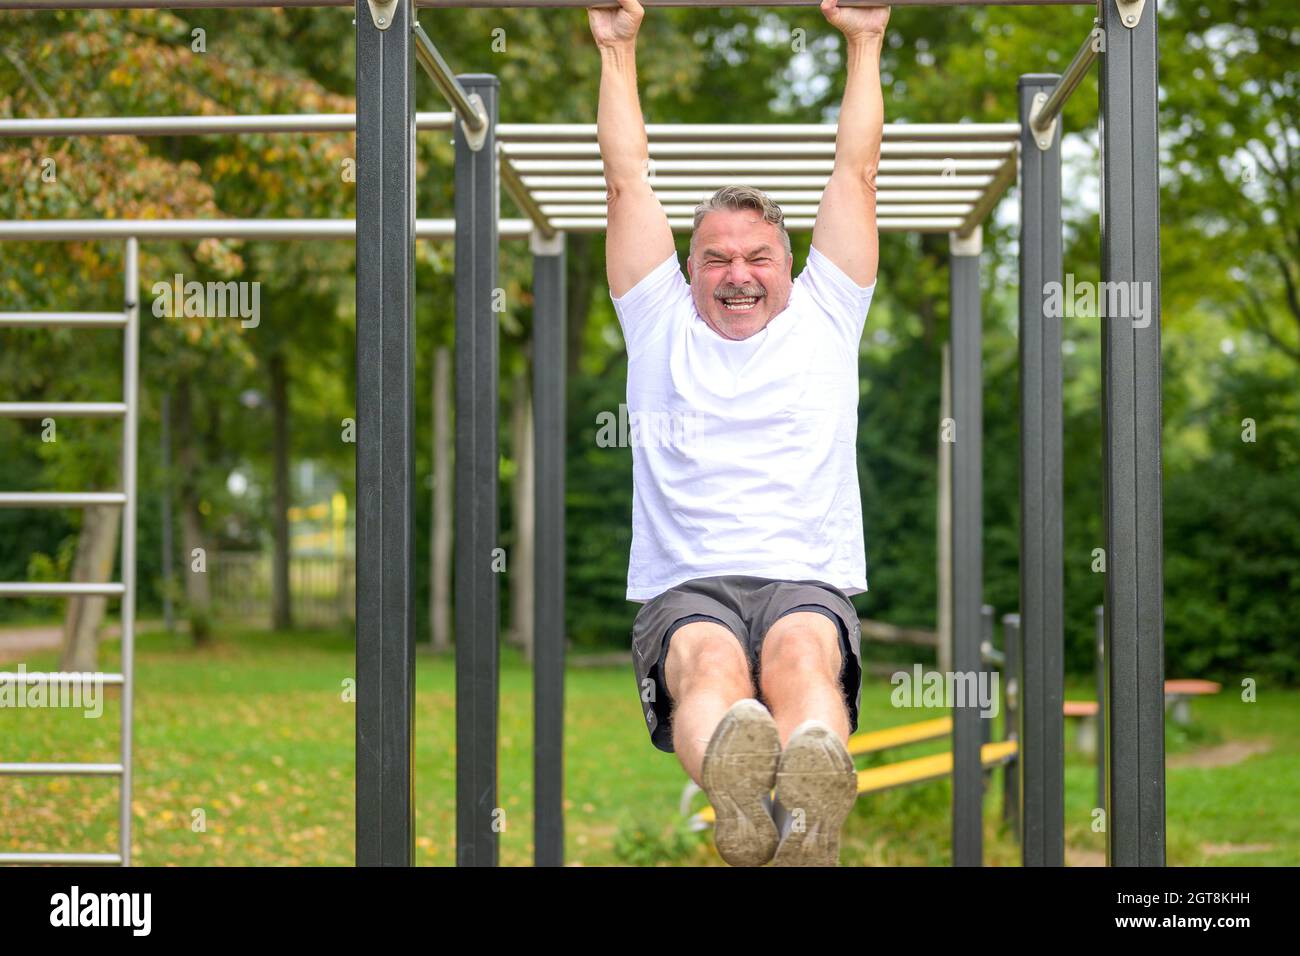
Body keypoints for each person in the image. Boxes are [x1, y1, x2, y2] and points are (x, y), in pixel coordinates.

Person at [589, 0, 889, 866]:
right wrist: (617, 50)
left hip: (805, 575)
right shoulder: (657, 320)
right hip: (689, 582)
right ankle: (739, 799)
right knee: (707, 662)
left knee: (802, 653)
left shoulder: (831, 312)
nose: (737, 273)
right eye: (716, 257)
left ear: (792, 266)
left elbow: (857, 174)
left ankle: (809, 816)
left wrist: (865, 42)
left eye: (757, 257)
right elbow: (625, 182)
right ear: (687, 270)